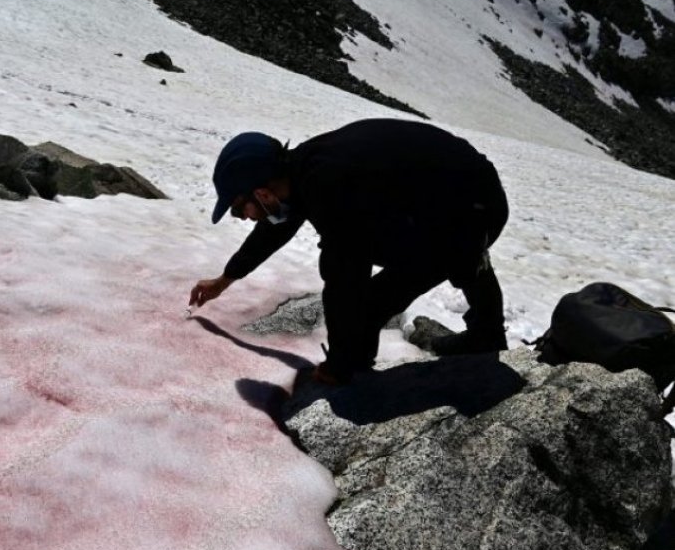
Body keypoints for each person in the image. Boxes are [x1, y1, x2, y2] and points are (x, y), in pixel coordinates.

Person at [190, 118, 510, 385]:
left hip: (474, 205)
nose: (243, 216)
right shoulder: (302, 170)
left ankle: (483, 334)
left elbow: (345, 276)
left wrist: (339, 366)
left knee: (369, 300)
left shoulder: (330, 186)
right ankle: (485, 323)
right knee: (404, 252)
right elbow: (274, 231)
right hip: (463, 193)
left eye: (237, 208)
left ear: (262, 193)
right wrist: (224, 279)